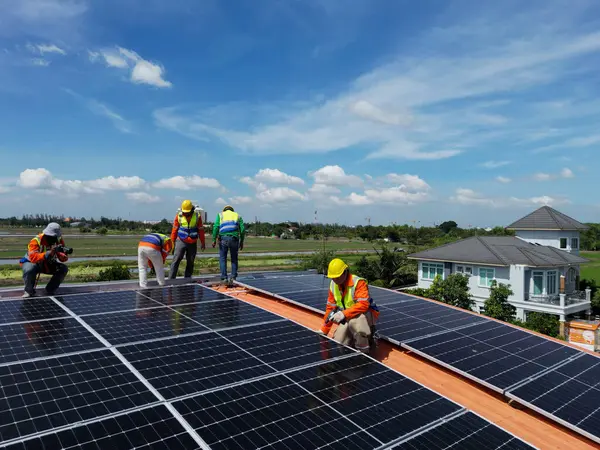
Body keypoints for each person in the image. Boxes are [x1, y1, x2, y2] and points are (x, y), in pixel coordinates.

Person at [318, 258, 380, 353]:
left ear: (345, 272)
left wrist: (344, 314)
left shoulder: (358, 283)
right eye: (333, 277)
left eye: (337, 277)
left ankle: (364, 353)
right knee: (339, 340)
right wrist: (324, 330)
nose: (335, 280)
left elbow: (363, 305)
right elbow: (330, 308)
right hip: (348, 315)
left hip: (364, 314)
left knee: (356, 325)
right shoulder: (333, 285)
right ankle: (352, 342)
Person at [20, 222, 69, 297]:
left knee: (63, 268)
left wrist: (62, 255)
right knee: (29, 269)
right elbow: (33, 257)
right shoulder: (36, 240)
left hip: (47, 265)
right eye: (51, 236)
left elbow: (63, 259)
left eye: (55, 237)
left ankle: (50, 290)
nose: (53, 239)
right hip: (34, 263)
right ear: (46, 234)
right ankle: (29, 291)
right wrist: (48, 253)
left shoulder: (58, 240)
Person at [169, 200, 206, 279]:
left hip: (192, 242)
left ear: (191, 210)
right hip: (181, 240)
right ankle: (171, 279)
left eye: (187, 212)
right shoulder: (179, 216)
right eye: (184, 212)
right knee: (176, 260)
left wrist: (203, 242)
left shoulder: (197, 216)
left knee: (190, 262)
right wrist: (172, 243)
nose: (185, 213)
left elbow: (201, 230)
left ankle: (187, 279)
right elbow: (174, 230)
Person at [212, 205, 245, 282]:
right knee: (234, 259)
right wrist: (242, 241)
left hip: (223, 239)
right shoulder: (237, 215)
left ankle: (224, 277)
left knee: (223, 258)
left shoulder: (220, 215)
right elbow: (242, 230)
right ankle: (233, 277)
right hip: (234, 239)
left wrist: (214, 240)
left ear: (224, 210)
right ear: (232, 210)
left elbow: (216, 227)